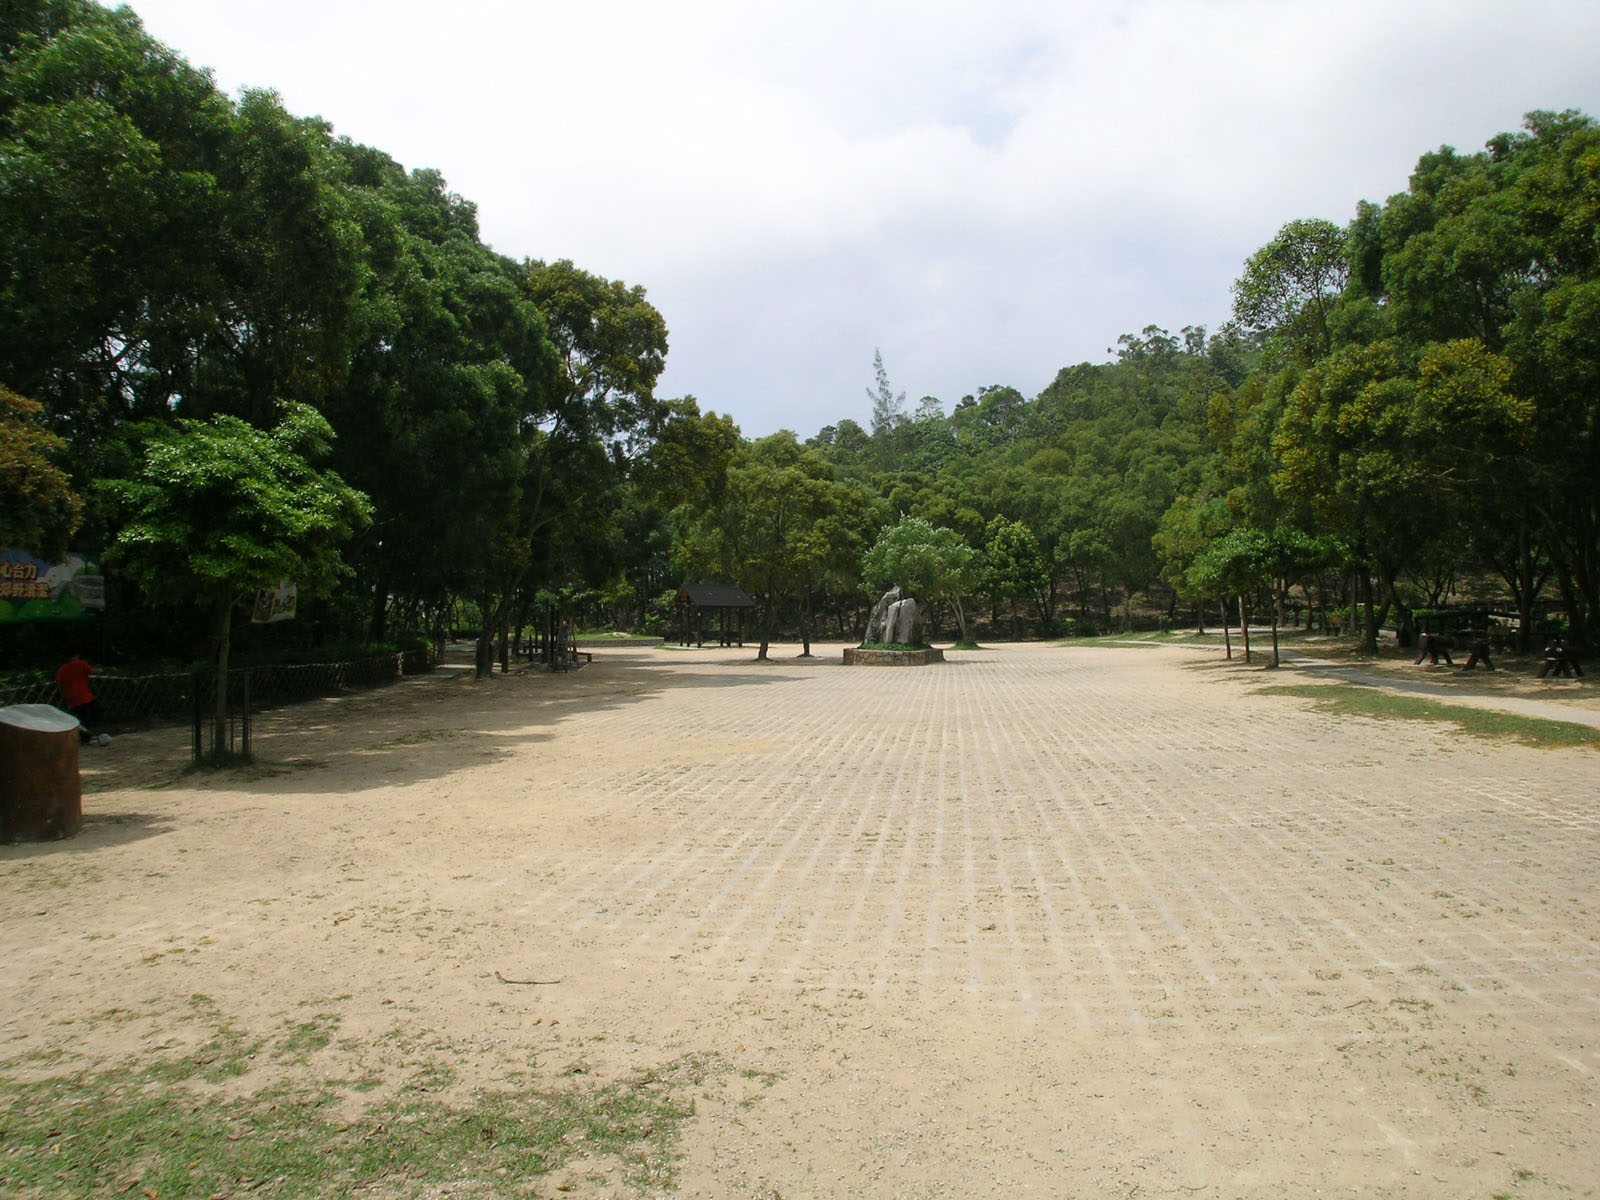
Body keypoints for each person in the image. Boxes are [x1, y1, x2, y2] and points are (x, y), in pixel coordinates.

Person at [55, 650, 103, 744]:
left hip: (71, 697)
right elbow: (93, 671)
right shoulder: (80, 664)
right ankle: (88, 729)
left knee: (81, 716)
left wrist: (64, 696)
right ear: (76, 655)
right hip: (83, 695)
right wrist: (100, 670)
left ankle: (85, 738)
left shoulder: (62, 669)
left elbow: (59, 684)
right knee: (97, 710)